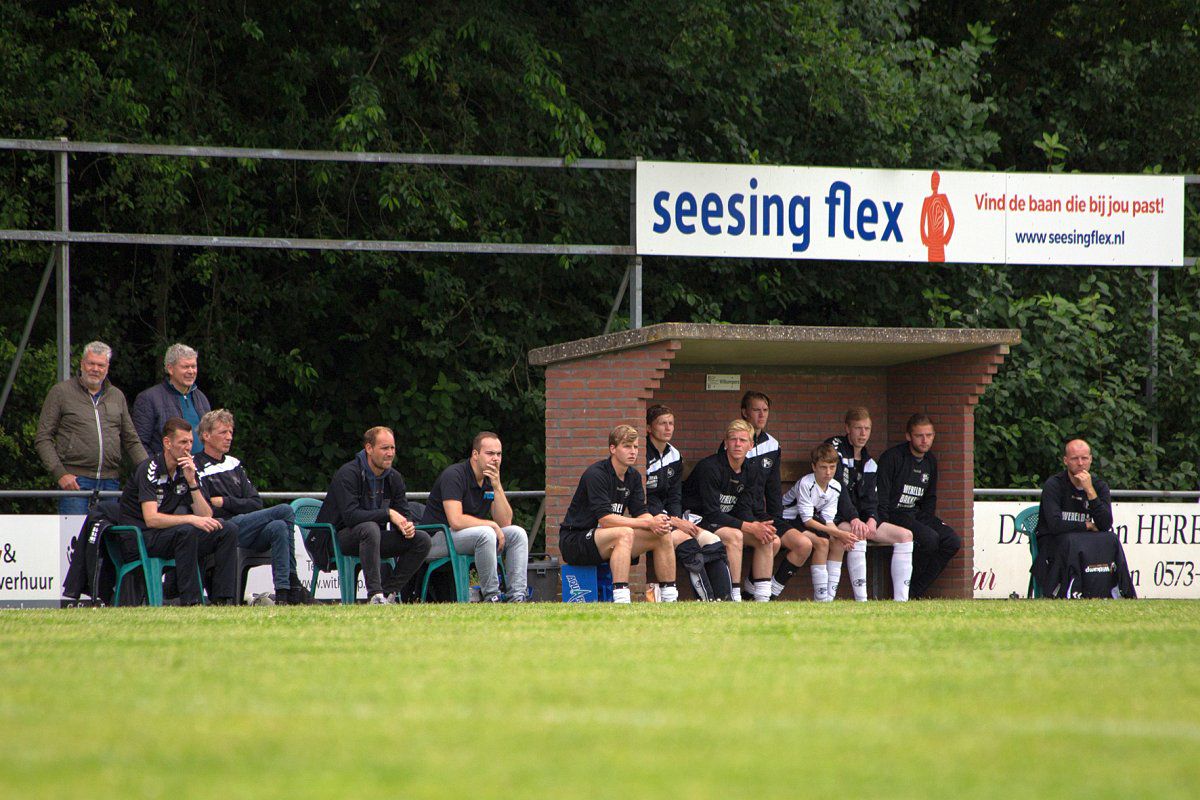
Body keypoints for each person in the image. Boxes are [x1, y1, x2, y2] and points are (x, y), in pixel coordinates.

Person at [117, 417, 237, 605]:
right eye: (183, 442)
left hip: (166, 535)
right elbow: (151, 519)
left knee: (225, 529)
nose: (188, 448)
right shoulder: (150, 468)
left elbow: (206, 515)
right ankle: (191, 601)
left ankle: (223, 600)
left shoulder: (185, 470)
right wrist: (190, 519)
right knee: (187, 531)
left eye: (190, 442)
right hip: (140, 537)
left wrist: (192, 482)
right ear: (167, 443)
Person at [195, 409, 307, 605]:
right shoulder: (196, 466)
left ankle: (283, 594)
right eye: (223, 432)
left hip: (246, 526)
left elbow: (255, 503)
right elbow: (209, 510)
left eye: (231, 432)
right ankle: (293, 580)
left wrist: (226, 501)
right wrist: (237, 505)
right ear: (206, 435)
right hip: (223, 530)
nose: (229, 437)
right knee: (285, 511)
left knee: (279, 526)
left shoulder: (234, 464)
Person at [558, 424, 678, 604]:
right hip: (576, 540)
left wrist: (656, 522)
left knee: (663, 534)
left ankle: (670, 598)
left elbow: (641, 512)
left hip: (606, 539)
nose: (633, 451)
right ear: (612, 449)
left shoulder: (634, 476)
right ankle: (621, 599)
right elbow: (605, 519)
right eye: (627, 446)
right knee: (624, 533)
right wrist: (648, 523)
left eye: (636, 447)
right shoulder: (596, 474)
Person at [315, 426, 432, 604]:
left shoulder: (394, 477)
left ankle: (388, 594)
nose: (390, 453)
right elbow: (351, 517)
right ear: (369, 448)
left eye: (392, 448)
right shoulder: (348, 474)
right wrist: (387, 514)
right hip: (336, 539)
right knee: (369, 528)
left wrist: (407, 525)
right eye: (384, 448)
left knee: (422, 539)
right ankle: (375, 595)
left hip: (371, 538)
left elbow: (403, 513)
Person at [35, 341, 147, 515]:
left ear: (107, 368)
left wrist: (149, 471)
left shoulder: (116, 395)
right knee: (75, 531)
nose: (95, 369)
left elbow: (131, 439)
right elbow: (43, 438)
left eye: (100, 365)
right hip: (75, 481)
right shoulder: (61, 392)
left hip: (110, 482)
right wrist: (60, 473)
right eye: (91, 363)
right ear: (82, 364)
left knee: (107, 531)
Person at [820, 407, 914, 602]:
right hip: (835, 517)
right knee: (858, 535)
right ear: (847, 428)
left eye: (867, 429)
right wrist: (854, 518)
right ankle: (862, 600)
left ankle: (901, 601)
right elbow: (838, 490)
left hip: (859, 519)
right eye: (858, 428)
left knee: (905, 536)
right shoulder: (835, 448)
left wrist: (872, 518)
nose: (863, 434)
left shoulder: (869, 462)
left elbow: (872, 498)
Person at [423, 431, 529, 603]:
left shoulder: (489, 480)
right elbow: (456, 521)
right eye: (490, 453)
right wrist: (491, 525)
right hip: (436, 539)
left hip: (470, 537)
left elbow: (505, 522)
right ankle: (492, 597)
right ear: (475, 454)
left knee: (517, 533)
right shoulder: (454, 475)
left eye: (499, 454)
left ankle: (517, 597)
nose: (495, 459)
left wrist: (497, 486)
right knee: (486, 533)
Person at [684, 419, 780, 601]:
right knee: (735, 536)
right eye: (733, 439)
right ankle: (734, 597)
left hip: (723, 519)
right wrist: (750, 527)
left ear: (751, 445)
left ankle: (762, 598)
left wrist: (758, 526)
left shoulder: (751, 469)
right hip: (697, 519)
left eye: (743, 440)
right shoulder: (710, 467)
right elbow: (712, 513)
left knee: (768, 538)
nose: (737, 444)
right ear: (726, 443)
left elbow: (743, 507)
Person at [645, 405, 730, 600]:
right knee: (688, 543)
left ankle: (726, 600)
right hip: (650, 520)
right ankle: (707, 600)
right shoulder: (642, 455)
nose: (668, 428)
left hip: (672, 518)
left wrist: (677, 519)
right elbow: (644, 499)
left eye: (671, 423)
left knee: (713, 541)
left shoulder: (675, 455)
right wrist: (673, 521)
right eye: (662, 423)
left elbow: (676, 495)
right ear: (649, 428)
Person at [1032, 439, 1135, 598]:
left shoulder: (1099, 486)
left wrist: (1089, 490)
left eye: (1084, 458)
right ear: (1065, 461)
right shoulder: (1054, 485)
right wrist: (1087, 525)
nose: (1080, 463)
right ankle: (1069, 592)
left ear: (1091, 459)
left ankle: (1119, 591)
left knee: (1111, 538)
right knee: (1070, 541)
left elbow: (1105, 524)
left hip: (1084, 543)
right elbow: (1054, 525)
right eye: (1075, 459)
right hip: (1055, 543)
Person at [876, 414, 960, 598]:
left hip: (917, 514)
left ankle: (915, 590)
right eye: (919, 436)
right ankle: (906, 590)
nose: (924, 440)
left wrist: (928, 520)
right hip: (895, 514)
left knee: (952, 541)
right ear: (908, 436)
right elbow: (882, 496)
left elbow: (930, 498)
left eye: (929, 435)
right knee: (929, 539)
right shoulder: (893, 458)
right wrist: (882, 521)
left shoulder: (930, 461)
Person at [132, 343, 212, 456]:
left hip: (201, 466)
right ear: (170, 369)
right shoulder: (149, 398)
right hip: (167, 466)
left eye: (193, 366)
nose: (191, 371)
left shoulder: (201, 398)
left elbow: (210, 437)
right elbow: (139, 444)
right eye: (185, 367)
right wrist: (156, 465)